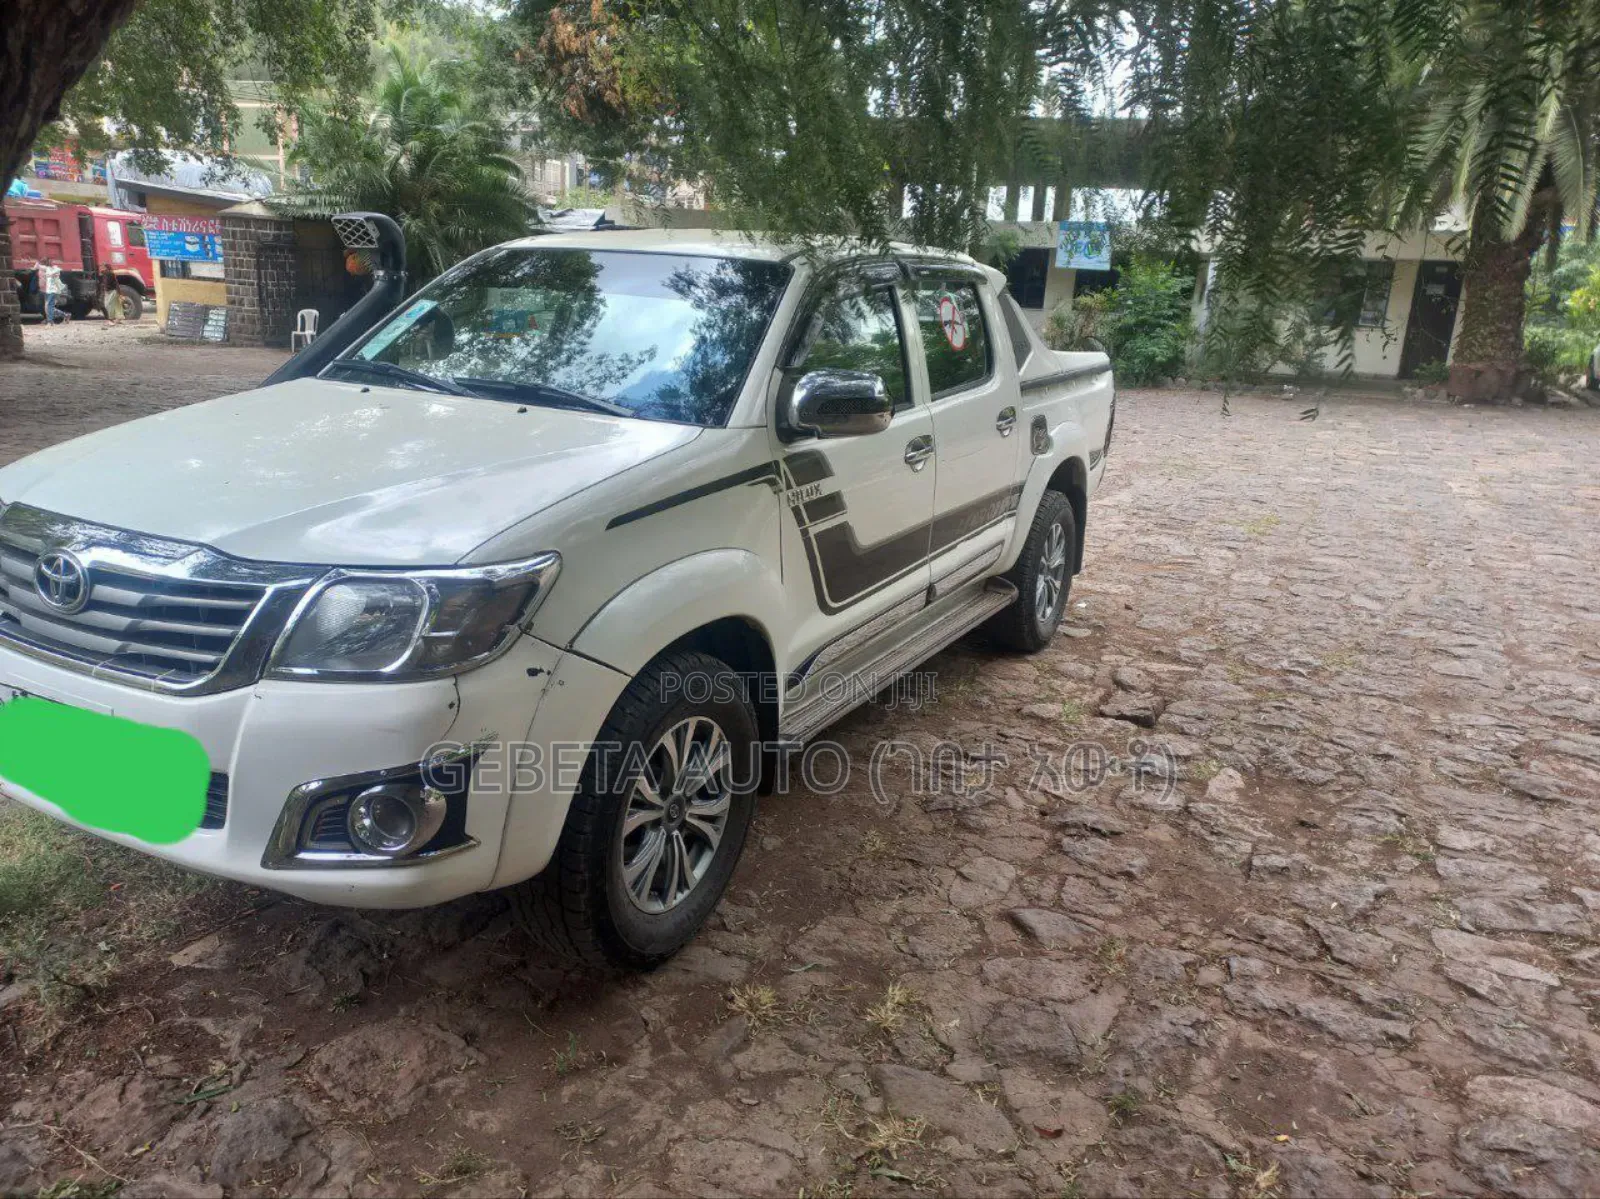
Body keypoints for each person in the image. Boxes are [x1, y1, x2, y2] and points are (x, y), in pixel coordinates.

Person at [36, 258, 65, 325]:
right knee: (48, 306)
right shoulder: (43, 270)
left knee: (48, 306)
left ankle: (50, 321)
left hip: (50, 290)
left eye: (42, 263)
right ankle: (64, 315)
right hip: (44, 290)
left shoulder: (48, 269)